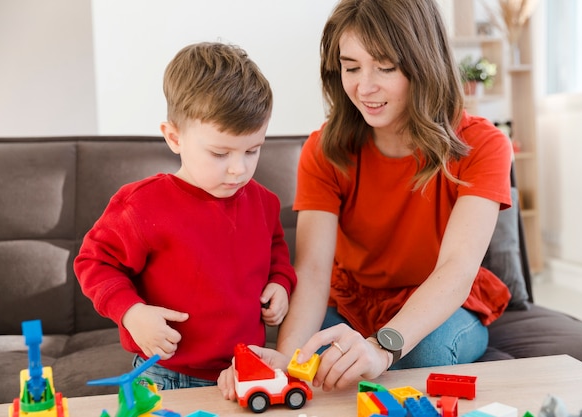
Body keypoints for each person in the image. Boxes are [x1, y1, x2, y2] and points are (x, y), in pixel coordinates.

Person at [218, 0, 513, 399]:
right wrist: (288, 360)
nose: (364, 87)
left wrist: (382, 346)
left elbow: (457, 269)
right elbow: (314, 268)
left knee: (424, 352)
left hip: (438, 300)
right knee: (308, 352)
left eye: (386, 67)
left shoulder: (483, 144)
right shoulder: (323, 150)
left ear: (424, 64)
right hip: (352, 300)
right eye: (351, 67)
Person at [74, 42, 297, 389]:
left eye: (253, 150)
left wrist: (280, 284)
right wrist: (131, 313)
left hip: (243, 369)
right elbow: (94, 262)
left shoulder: (264, 202)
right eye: (220, 153)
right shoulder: (141, 205)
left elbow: (277, 254)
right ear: (174, 137)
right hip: (163, 374)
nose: (238, 170)